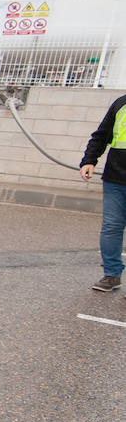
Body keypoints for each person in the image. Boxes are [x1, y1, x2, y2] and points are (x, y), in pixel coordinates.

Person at [78, 93, 126, 291]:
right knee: (111, 227)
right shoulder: (121, 103)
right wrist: (89, 160)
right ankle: (111, 275)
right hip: (115, 178)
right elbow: (101, 134)